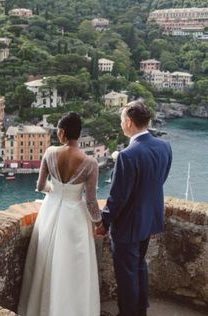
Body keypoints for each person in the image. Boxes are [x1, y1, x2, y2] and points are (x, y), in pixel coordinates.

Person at [18, 112, 101, 316]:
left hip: (50, 210)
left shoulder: (50, 152)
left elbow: (39, 186)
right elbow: (90, 201)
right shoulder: (90, 163)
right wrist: (98, 221)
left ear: (62, 133)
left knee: (44, 262)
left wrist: (54, 191)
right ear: (78, 135)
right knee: (73, 268)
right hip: (75, 216)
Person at [95, 101, 172, 316]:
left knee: (126, 273)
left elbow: (117, 197)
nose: (121, 124)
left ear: (129, 122)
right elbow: (160, 179)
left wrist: (104, 223)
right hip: (150, 218)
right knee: (139, 265)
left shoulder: (128, 155)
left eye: (121, 120)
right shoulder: (164, 146)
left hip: (128, 224)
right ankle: (140, 310)